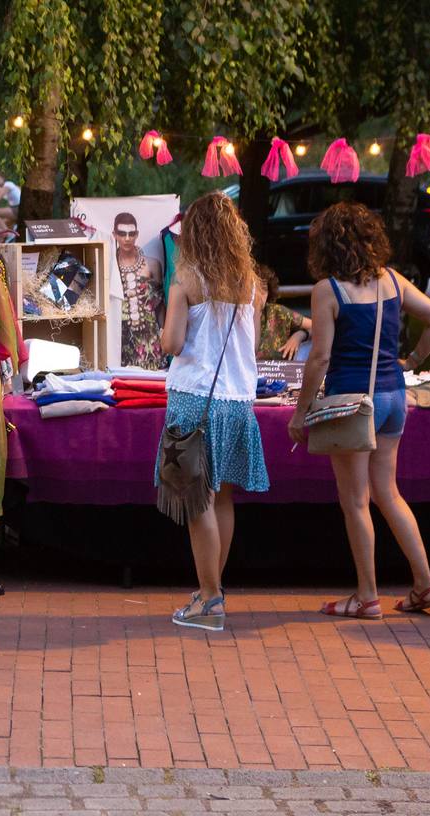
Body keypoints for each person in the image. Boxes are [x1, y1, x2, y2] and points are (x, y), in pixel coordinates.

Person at [290, 203, 430, 620]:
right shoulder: (393, 280)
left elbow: (320, 357)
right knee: (389, 493)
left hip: (352, 401)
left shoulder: (328, 289)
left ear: (327, 244)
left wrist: (300, 412)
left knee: (356, 502)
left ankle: (367, 596)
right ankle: (425, 584)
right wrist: (412, 359)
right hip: (394, 396)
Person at [159, 192, 269, 633]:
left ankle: (209, 598)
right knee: (220, 495)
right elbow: (253, 345)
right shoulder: (252, 283)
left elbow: (172, 344)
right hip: (239, 400)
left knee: (195, 497)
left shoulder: (186, 278)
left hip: (195, 398)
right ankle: (214, 589)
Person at [115, 212, 166, 369]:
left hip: (151, 343)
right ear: (115, 235)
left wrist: (164, 334)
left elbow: (159, 307)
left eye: (131, 233)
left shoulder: (152, 265)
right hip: (121, 344)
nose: (127, 238)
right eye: (122, 233)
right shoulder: (109, 267)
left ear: (137, 234)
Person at [255, 267, 314, 361]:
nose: (258, 294)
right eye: (254, 289)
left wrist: (299, 335)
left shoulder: (278, 313)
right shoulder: (235, 317)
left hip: (277, 373)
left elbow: (319, 327)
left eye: (263, 289)